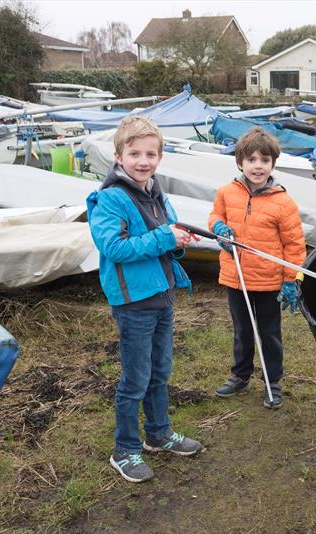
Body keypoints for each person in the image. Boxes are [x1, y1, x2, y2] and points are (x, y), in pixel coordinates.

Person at [86, 116, 202, 483]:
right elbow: (114, 248)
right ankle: (125, 450)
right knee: (135, 378)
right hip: (133, 303)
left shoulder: (155, 191)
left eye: (150, 153)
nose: (143, 160)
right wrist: (166, 238)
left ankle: (159, 433)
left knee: (160, 371)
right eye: (134, 153)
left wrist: (180, 240)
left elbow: (169, 232)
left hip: (162, 295)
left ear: (160, 157)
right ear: (119, 156)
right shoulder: (109, 199)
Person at [208, 127, 306, 410]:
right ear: (240, 162)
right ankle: (240, 375)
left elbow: (295, 244)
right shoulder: (227, 192)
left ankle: (272, 381)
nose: (258, 166)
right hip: (235, 277)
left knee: (269, 333)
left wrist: (291, 280)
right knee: (242, 331)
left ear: (273, 164)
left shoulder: (283, 202)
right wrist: (218, 228)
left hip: (268, 281)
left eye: (264, 160)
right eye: (251, 160)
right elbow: (215, 215)